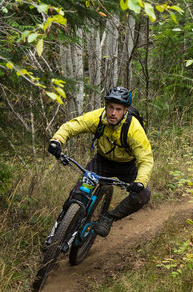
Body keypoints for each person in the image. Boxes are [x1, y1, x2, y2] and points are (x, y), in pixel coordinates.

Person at [47, 86, 153, 237]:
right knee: (79, 194)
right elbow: (73, 126)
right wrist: (56, 141)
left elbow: (146, 159)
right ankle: (57, 233)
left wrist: (140, 181)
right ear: (106, 106)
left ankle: (109, 218)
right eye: (110, 107)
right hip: (102, 162)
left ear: (125, 110)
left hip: (127, 166)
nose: (113, 113)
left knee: (143, 196)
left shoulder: (134, 129)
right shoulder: (98, 117)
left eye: (118, 109)